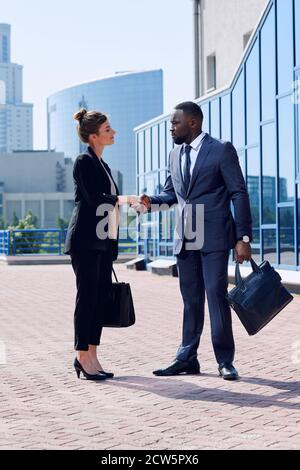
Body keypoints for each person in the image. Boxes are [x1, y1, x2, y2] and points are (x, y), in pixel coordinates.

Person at [134, 101, 252, 380]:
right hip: (185, 237)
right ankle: (187, 357)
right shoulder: (174, 155)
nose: (171, 128)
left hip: (214, 237)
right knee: (191, 300)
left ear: (193, 123)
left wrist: (243, 237)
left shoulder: (221, 149)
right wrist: (150, 202)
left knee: (216, 296)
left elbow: (239, 193)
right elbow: (171, 194)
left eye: (175, 123)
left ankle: (225, 360)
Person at [65, 108, 135, 381]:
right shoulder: (83, 161)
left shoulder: (104, 166)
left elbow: (109, 206)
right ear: (94, 136)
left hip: (104, 242)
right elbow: (96, 199)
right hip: (85, 241)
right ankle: (82, 355)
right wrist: (126, 199)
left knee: (99, 299)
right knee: (87, 298)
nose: (113, 132)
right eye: (108, 130)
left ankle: (92, 354)